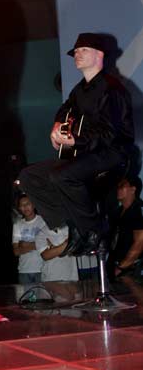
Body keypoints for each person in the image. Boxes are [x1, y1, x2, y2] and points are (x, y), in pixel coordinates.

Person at [20, 33, 134, 257]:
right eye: (76, 51)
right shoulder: (80, 90)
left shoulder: (112, 89)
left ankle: (95, 230)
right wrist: (57, 125)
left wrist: (75, 140)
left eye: (84, 50)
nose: (77, 54)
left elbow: (110, 133)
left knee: (62, 175)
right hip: (84, 157)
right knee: (29, 176)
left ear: (99, 55)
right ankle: (74, 225)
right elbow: (66, 109)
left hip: (112, 154)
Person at [109, 176, 143, 280]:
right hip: (116, 265)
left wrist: (121, 267)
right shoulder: (117, 212)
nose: (118, 189)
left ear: (133, 189)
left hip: (130, 268)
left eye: (122, 186)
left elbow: (139, 243)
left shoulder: (138, 211)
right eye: (118, 186)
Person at [12, 194, 45, 285]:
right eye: (22, 205)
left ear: (33, 205)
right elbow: (16, 251)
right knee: (25, 294)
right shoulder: (17, 225)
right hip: (24, 270)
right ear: (19, 208)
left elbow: (49, 243)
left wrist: (25, 244)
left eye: (27, 204)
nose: (25, 207)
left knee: (43, 294)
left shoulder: (43, 221)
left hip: (42, 269)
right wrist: (37, 245)